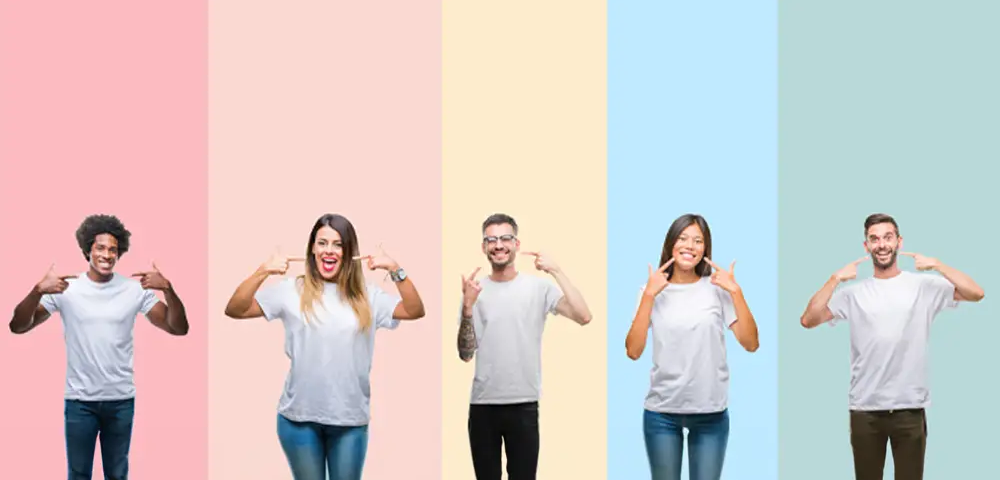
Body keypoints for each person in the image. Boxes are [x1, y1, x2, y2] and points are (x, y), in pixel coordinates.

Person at [224, 213, 425, 480]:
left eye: (338, 244)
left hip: (349, 422)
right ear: (312, 249)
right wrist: (263, 271)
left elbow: (414, 310)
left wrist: (395, 269)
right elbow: (235, 309)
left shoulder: (368, 295)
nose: (329, 250)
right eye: (322, 243)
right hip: (298, 420)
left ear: (350, 252)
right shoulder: (291, 290)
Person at [800, 213, 985, 480]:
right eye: (874, 239)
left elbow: (976, 293)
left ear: (899, 241)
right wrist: (834, 279)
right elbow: (808, 319)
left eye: (888, 237)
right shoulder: (853, 293)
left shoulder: (923, 286)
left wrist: (937, 265)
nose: (882, 244)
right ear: (866, 247)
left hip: (909, 408)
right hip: (865, 410)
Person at [8, 214, 189, 480]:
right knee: (79, 474)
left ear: (120, 253)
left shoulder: (133, 289)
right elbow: (19, 326)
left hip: (120, 401)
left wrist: (169, 290)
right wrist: (37, 290)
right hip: (80, 401)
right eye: (101, 247)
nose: (107, 254)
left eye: (113, 249)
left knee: (117, 474)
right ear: (87, 250)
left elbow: (178, 328)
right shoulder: (66, 290)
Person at [457, 213, 592, 480]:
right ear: (484, 247)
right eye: (491, 239)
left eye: (505, 238)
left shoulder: (538, 288)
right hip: (483, 404)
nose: (498, 245)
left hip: (524, 404)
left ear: (517, 244)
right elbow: (465, 353)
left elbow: (583, 316)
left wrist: (556, 270)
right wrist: (468, 307)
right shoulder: (475, 290)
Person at [624, 214, 759, 480]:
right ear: (671, 244)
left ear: (705, 249)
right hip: (662, 413)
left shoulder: (718, 289)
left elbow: (751, 343)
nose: (690, 246)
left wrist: (736, 291)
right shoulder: (649, 290)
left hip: (711, 413)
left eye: (698, 240)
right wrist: (650, 295)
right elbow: (633, 350)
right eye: (683, 238)